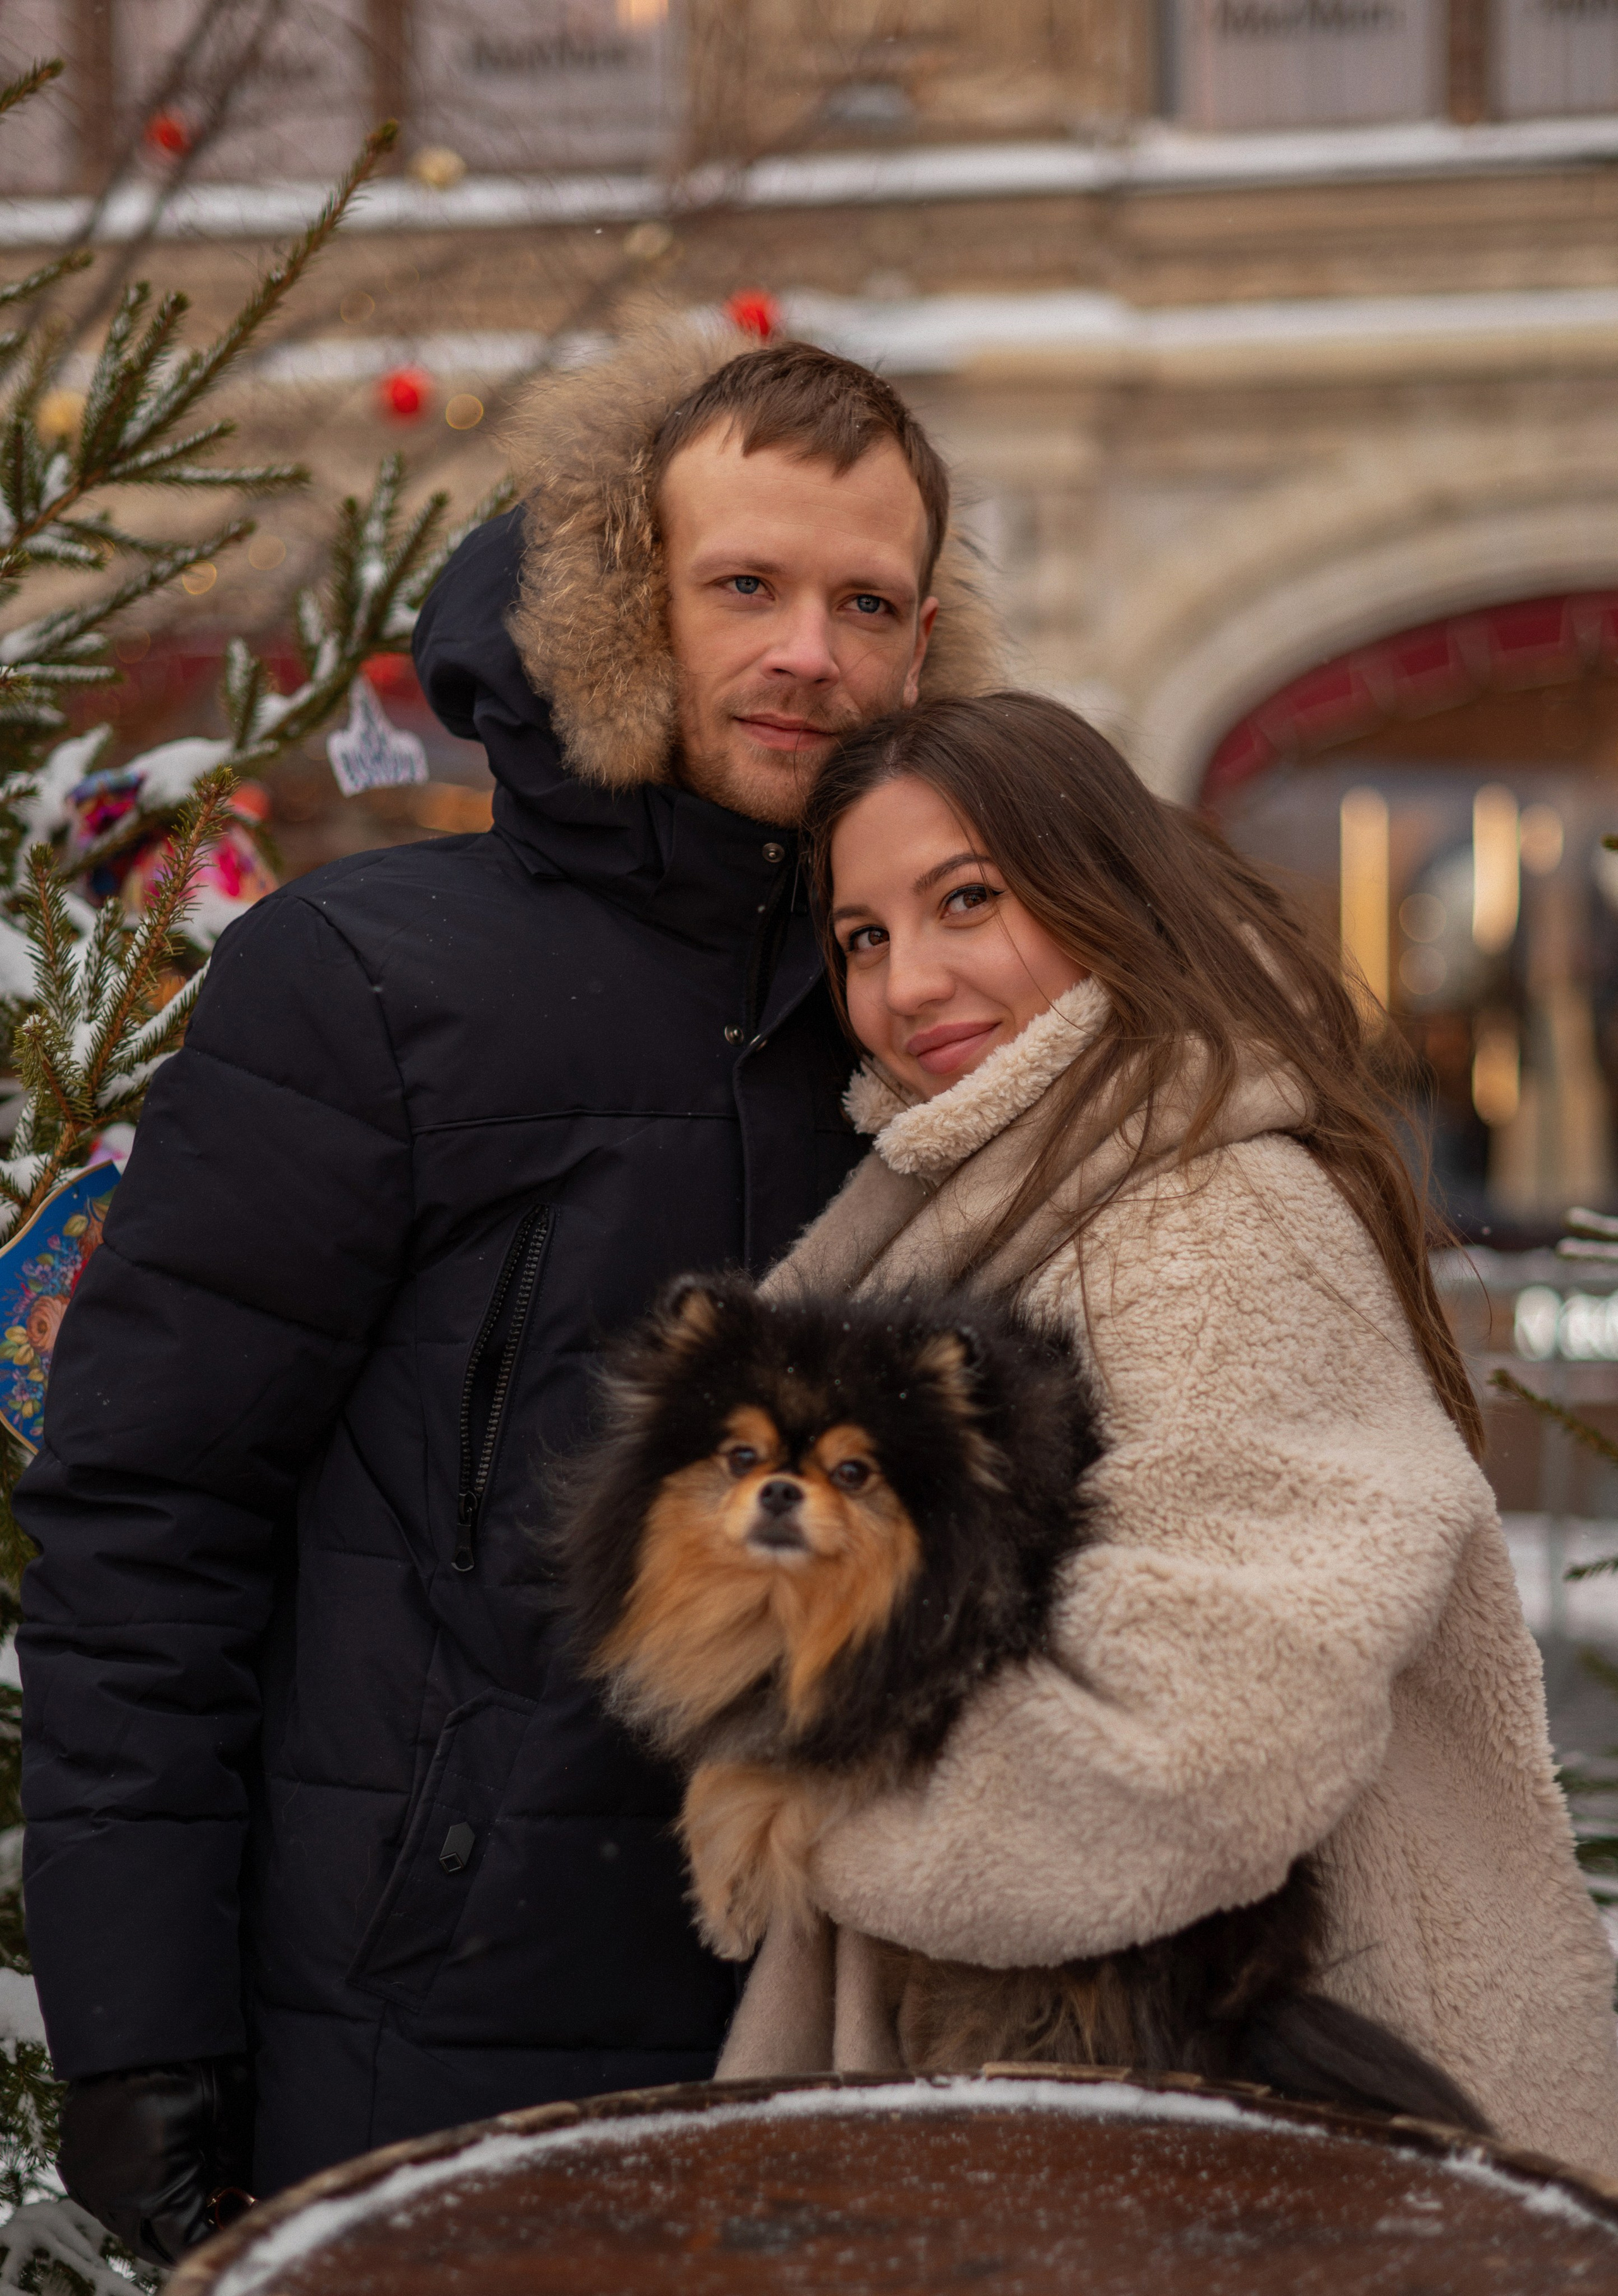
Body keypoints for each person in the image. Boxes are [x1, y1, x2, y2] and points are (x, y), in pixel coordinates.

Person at [15, 326, 1000, 2261]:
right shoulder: (365, 985)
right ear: (623, 602)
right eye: (746, 587)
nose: (810, 652)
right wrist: (141, 2038)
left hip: (861, 2021)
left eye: (867, 603)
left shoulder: (937, 1010)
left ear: (925, 642)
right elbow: (151, 1522)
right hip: (424, 2038)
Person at [719, 689, 1618, 2176]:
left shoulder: (1195, 1220)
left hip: (1237, 2107)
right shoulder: (1030, 1191)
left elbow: (1197, 1748)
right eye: (862, 935)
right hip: (1135, 2096)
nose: (906, 982)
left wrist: (807, 1812)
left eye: (965, 900)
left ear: (1098, 892)